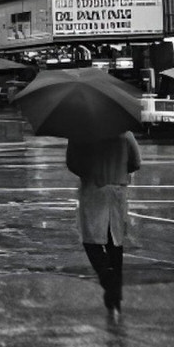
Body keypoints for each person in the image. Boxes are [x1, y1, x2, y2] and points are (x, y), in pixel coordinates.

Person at [66, 131, 141, 319]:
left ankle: (106, 276)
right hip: (118, 189)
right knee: (115, 241)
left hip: (93, 189)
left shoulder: (80, 134)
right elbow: (136, 163)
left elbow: (73, 164)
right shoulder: (125, 134)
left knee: (90, 239)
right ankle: (116, 295)